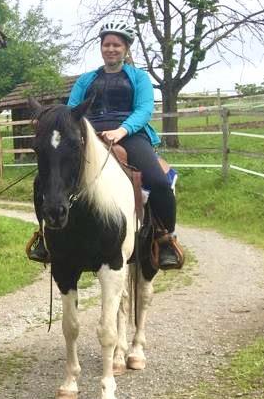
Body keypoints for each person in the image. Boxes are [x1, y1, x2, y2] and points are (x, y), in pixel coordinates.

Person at [28, 21, 182, 269]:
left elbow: (144, 109)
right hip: (90, 135)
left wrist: (122, 130)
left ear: (126, 48)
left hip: (131, 134)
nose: (111, 49)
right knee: (42, 180)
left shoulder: (139, 78)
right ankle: (45, 237)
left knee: (159, 182)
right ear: (101, 48)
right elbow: (72, 110)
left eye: (117, 45)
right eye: (107, 44)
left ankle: (164, 239)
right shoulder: (86, 80)